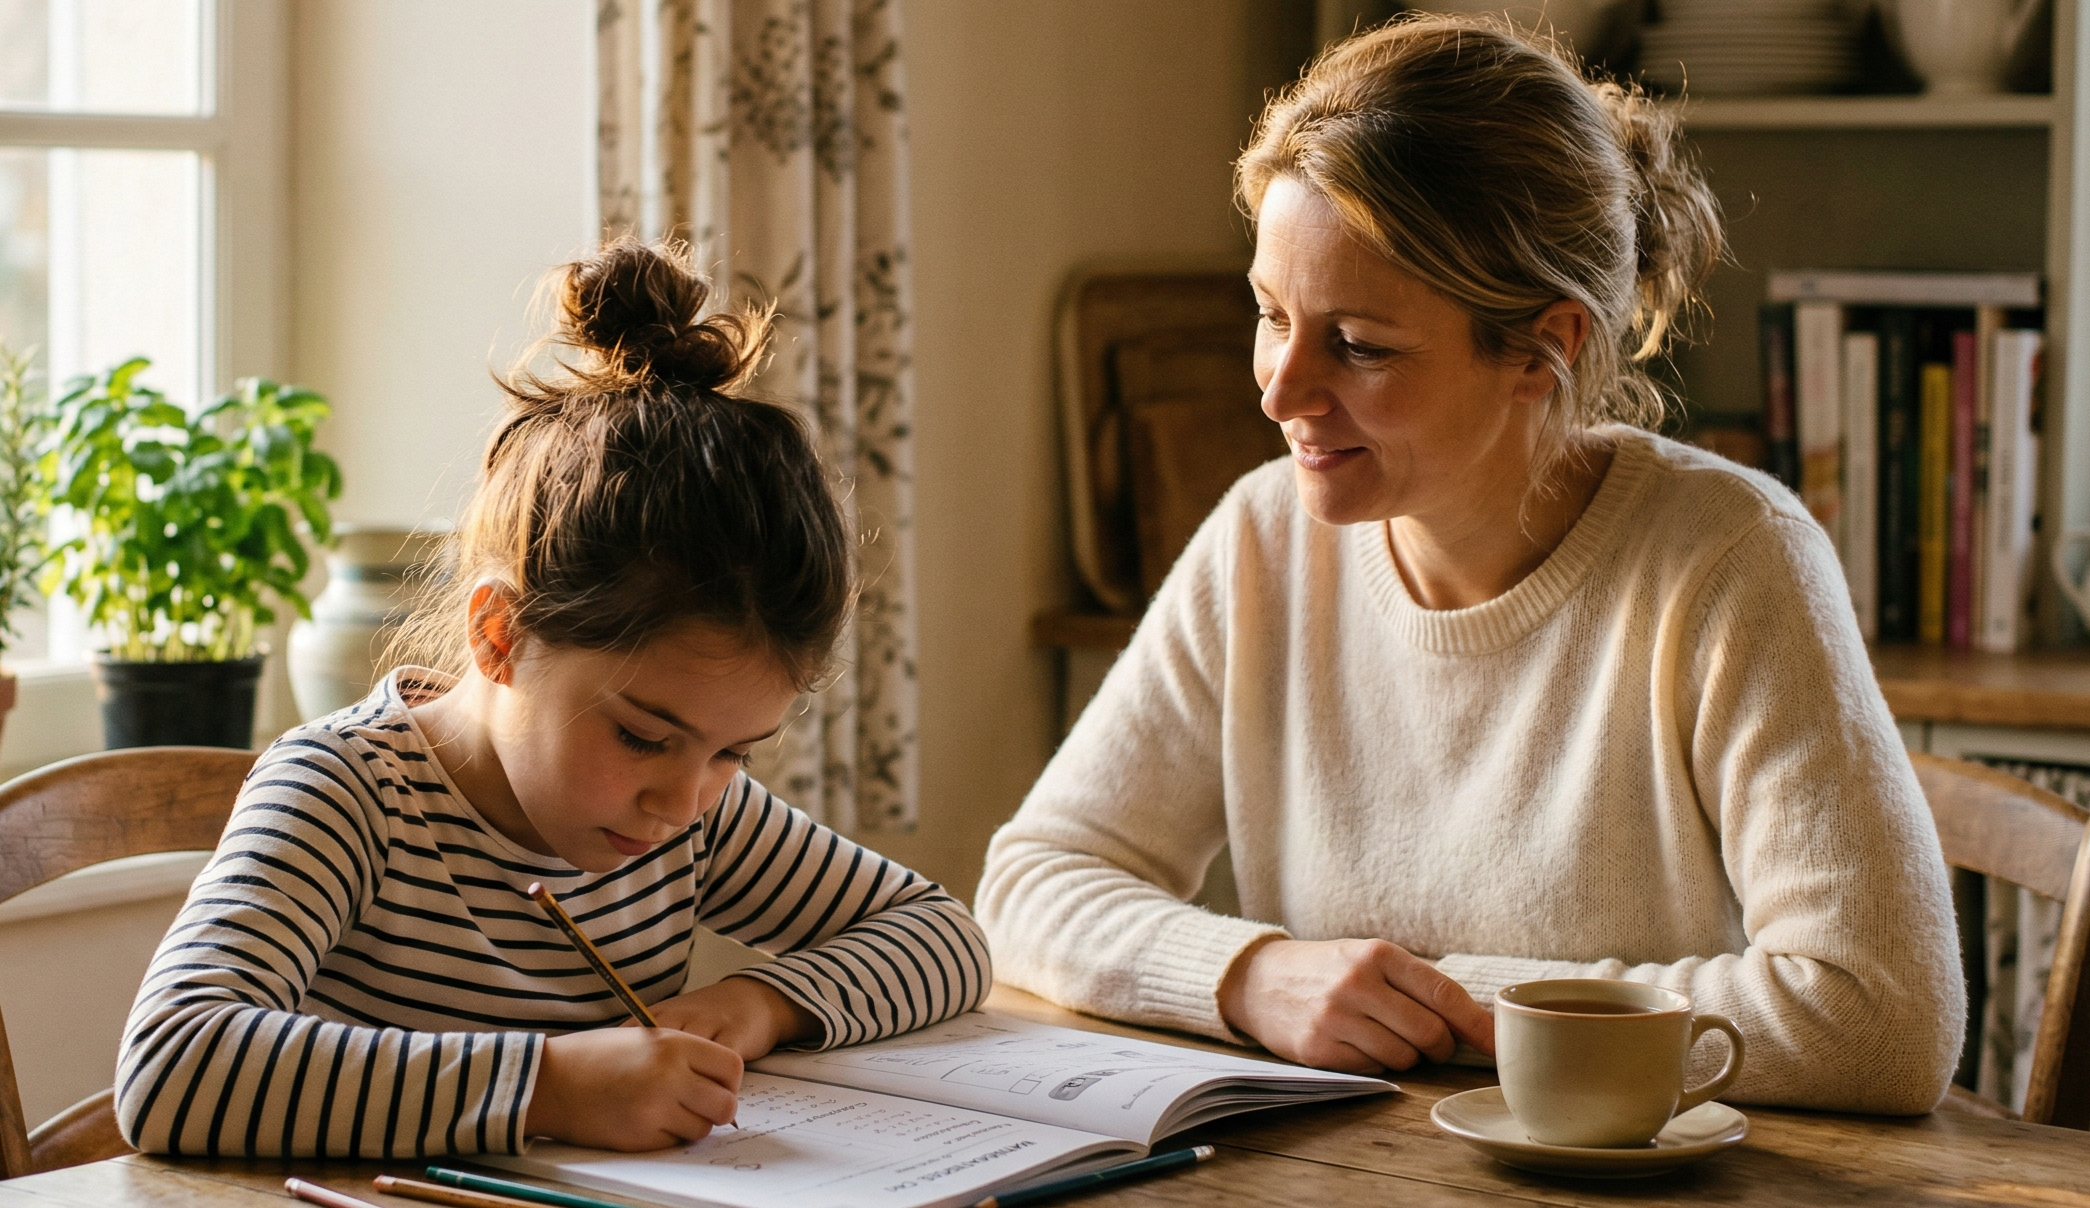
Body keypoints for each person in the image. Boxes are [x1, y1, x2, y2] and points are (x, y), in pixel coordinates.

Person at [976, 16, 1963, 1114]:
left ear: (1547, 349)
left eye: (1356, 344)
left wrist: (1437, 998)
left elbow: (1879, 1016)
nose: (1278, 389)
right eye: (1268, 315)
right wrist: (1248, 972)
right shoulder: (1261, 539)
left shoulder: (1729, 558)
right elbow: (1029, 882)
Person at [117, 240, 991, 1157]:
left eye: (737, 751)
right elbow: (172, 1067)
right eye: (644, 737)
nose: (684, 801)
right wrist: (548, 1086)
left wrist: (759, 1003)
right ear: (499, 634)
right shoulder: (346, 795)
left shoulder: (691, 816)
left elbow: (943, 938)